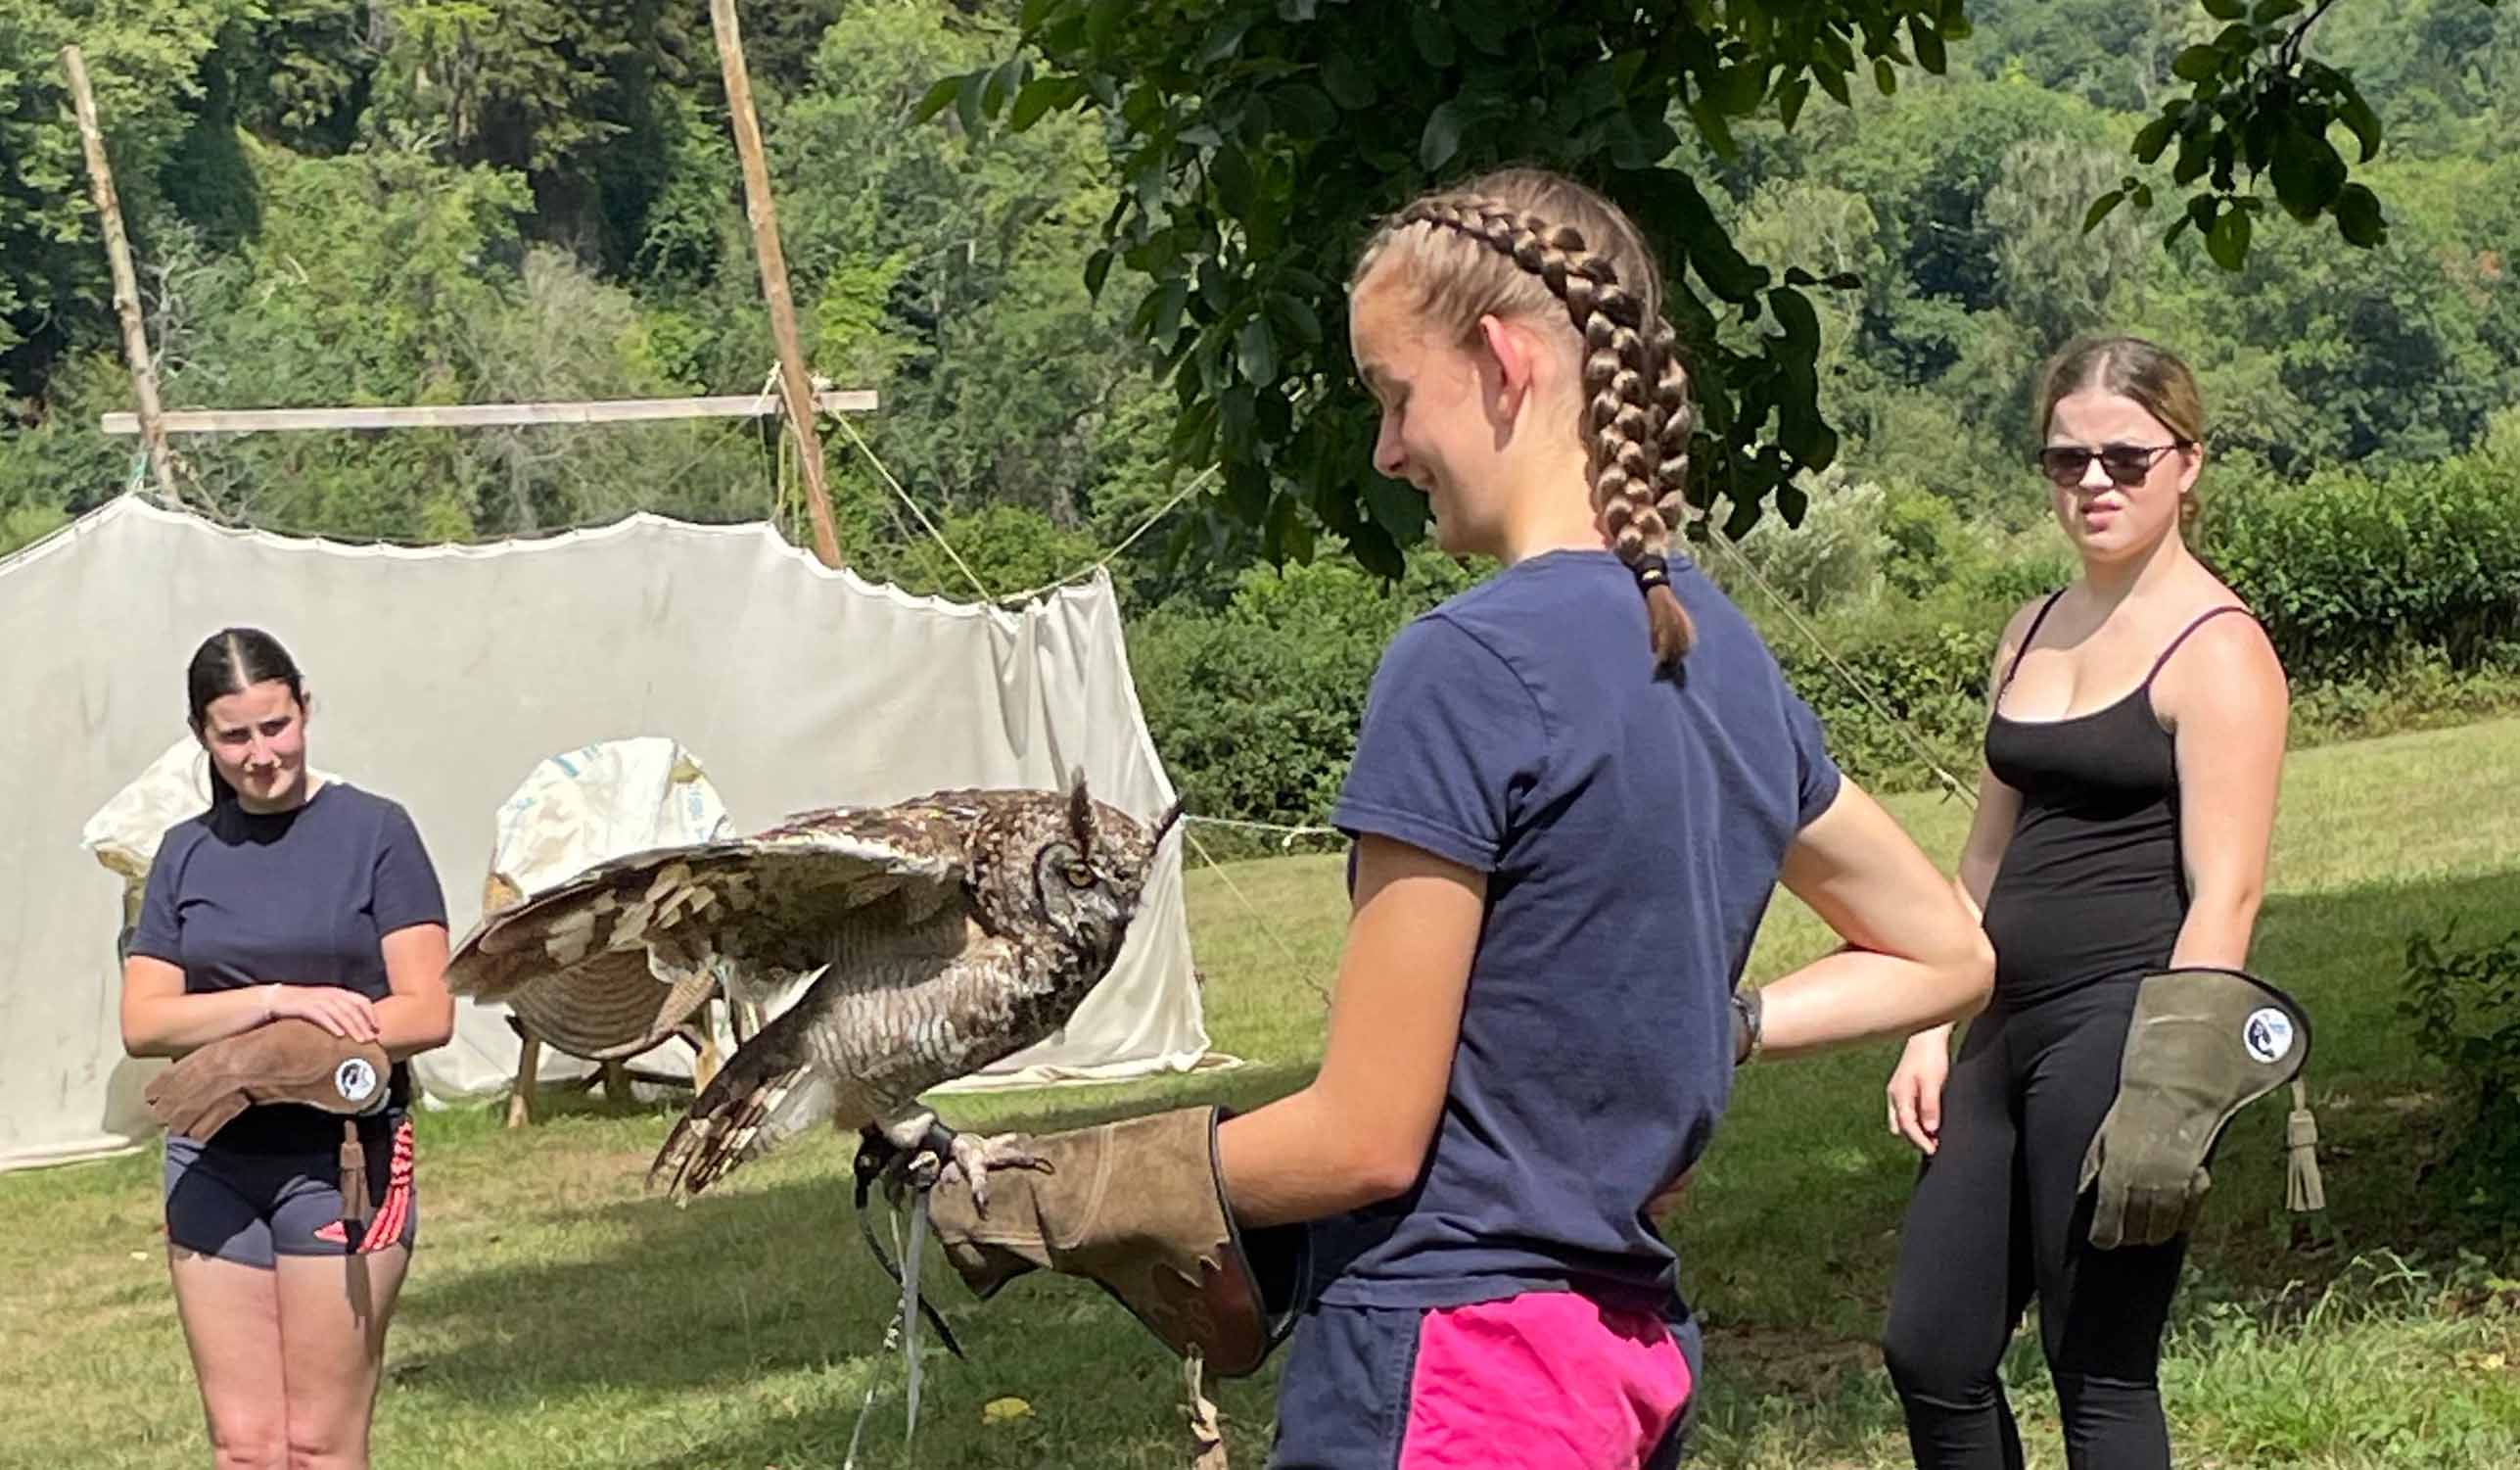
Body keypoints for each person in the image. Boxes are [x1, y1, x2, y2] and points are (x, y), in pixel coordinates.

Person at [900, 167, 1994, 1469]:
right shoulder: (1720, 654)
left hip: (1456, 1368)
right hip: (1622, 1358)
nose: (1386, 449)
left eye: (1392, 394)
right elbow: (1947, 951)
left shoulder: (1465, 665)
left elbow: (1365, 1137)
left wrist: (1058, 1190)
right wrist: (1720, 1024)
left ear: (1501, 360)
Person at [1879, 337, 2291, 1470]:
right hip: (1999, 1022)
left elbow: (2228, 893)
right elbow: (1983, 854)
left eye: (2125, 457)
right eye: (2068, 460)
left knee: (2097, 1363)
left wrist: (2169, 1098)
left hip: (2121, 1029)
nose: (2094, 482)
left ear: (2187, 463)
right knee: (1931, 1349)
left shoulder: (2221, 650)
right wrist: (1927, 1024)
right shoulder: (2029, 628)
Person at [120, 627, 455, 1470]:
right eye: (235, 736)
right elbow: (145, 1023)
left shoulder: (376, 831)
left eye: (276, 726)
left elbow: (427, 1009)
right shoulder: (183, 852)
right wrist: (276, 1000)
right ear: (201, 735)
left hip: (341, 1161)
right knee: (245, 1447)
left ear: (305, 707)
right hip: (211, 1159)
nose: (261, 754)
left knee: (318, 1443)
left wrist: (300, 1046)